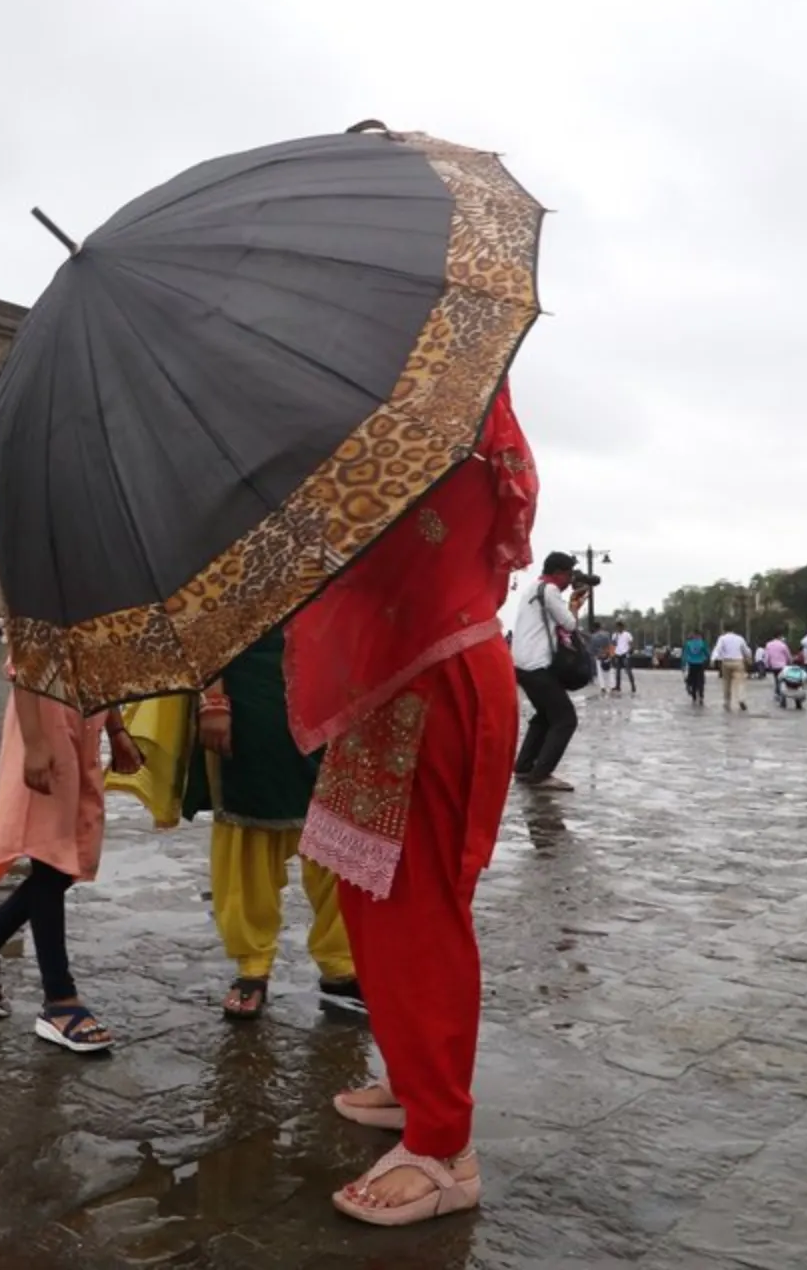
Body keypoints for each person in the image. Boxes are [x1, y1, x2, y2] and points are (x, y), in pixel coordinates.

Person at [257, 385, 535, 1226]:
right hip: (389, 678)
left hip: (436, 675)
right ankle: (415, 1082)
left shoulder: (438, 402)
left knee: (418, 905)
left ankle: (446, 1145)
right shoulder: (376, 404)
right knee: (365, 890)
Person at [0, 676, 145, 1052]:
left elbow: (95, 661)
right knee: (51, 854)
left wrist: (117, 728)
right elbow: (26, 660)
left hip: (83, 723)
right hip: (45, 723)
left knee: (68, 851)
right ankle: (59, 999)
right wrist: (35, 743)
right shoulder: (44, 613)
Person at [181, 631, 360, 1020]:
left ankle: (342, 964)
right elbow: (206, 624)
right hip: (249, 697)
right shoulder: (229, 569)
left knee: (337, 840)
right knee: (249, 840)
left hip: (330, 694)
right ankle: (252, 969)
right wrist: (212, 698)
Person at [509, 552, 587, 791]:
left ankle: (523, 768)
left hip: (523, 663)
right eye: (569, 574)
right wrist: (574, 605)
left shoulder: (534, 588)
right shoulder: (550, 591)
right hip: (538, 664)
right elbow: (570, 624)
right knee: (565, 719)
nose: (570, 579)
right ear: (558, 573)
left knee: (544, 716)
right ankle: (541, 774)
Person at [710, 625, 751, 711]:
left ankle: (727, 702)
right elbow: (745, 650)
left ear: (724, 629)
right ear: (733, 630)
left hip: (726, 662)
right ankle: (741, 699)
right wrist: (748, 658)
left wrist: (713, 659)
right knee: (740, 682)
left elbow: (718, 649)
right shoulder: (739, 638)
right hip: (738, 662)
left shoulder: (722, 638)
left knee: (726, 682)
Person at [680, 631, 710, 707]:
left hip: (691, 664)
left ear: (693, 635)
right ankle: (701, 696)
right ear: (699, 635)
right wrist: (707, 659)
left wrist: (683, 665)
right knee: (701, 680)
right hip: (700, 663)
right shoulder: (703, 643)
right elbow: (707, 653)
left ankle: (693, 696)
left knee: (693, 680)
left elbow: (684, 655)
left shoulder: (688, 643)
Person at [762, 634, 793, 708]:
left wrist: (766, 665)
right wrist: (790, 662)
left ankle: (777, 693)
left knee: (776, 679)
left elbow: (767, 656)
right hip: (783, 666)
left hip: (774, 666)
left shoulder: (768, 644)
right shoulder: (783, 645)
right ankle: (782, 692)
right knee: (784, 679)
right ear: (779, 637)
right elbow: (788, 655)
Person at [608, 622, 637, 695]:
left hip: (625, 654)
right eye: (617, 627)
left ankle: (633, 685)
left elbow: (631, 643)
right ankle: (618, 686)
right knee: (617, 672)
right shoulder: (615, 635)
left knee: (628, 671)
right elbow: (613, 644)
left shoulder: (627, 634)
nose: (619, 629)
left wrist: (630, 650)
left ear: (623, 627)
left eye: (620, 627)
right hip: (618, 654)